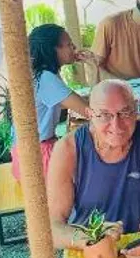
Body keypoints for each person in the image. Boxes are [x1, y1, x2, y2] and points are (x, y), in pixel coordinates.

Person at [47, 80, 140, 258]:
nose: (116, 126)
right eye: (105, 115)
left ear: (136, 111)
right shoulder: (68, 149)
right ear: (89, 115)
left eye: (125, 113)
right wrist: (92, 239)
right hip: (91, 255)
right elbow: (53, 227)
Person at [11, 24, 96, 181]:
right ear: (53, 50)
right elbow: (92, 111)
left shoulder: (39, 74)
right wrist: (93, 67)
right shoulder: (47, 79)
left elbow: (78, 103)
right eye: (69, 44)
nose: (74, 47)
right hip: (39, 158)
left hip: (25, 155)